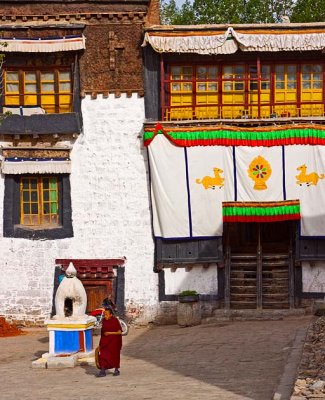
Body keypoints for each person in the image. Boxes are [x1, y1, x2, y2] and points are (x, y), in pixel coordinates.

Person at [96, 307, 122, 378]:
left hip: (114, 341)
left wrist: (110, 333)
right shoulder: (104, 321)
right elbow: (102, 332)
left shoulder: (115, 320)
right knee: (103, 355)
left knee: (115, 355)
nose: (105, 316)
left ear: (111, 315)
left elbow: (119, 332)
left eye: (107, 314)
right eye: (104, 314)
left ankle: (116, 369)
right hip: (105, 342)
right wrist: (100, 343)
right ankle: (103, 370)